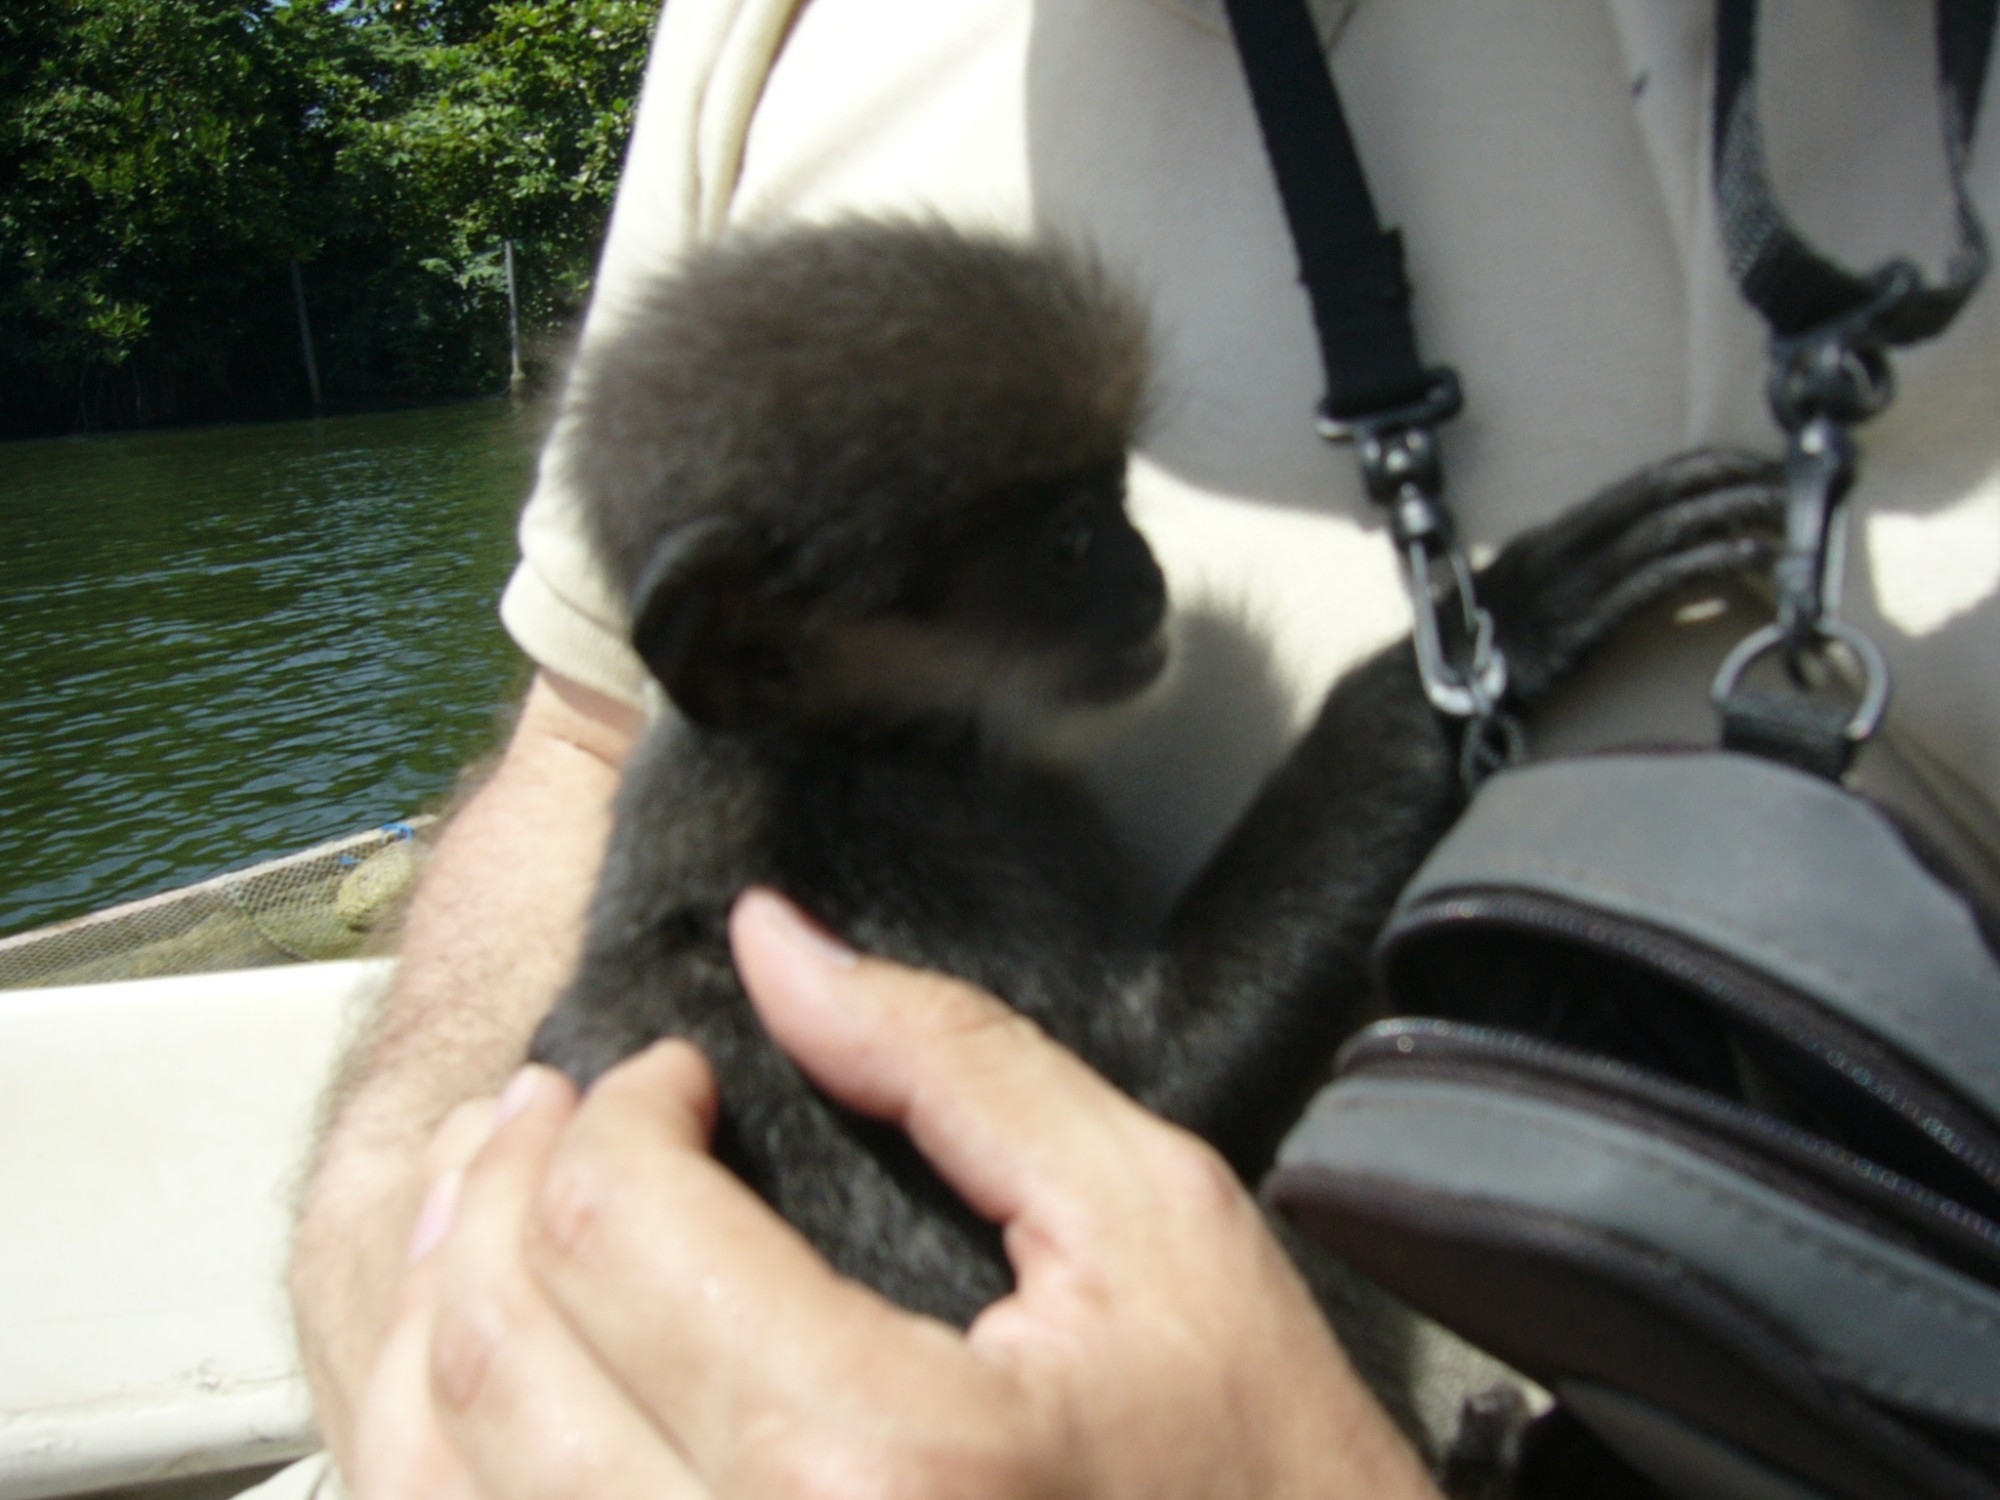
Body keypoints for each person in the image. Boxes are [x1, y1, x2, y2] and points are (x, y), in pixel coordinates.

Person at [284, 1, 2000, 1494]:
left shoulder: (840, 701)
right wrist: (407, 1271)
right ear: (749, 642)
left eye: (1121, 497)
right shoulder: (814, 851)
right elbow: (1152, 1086)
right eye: (1056, 551)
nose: (1143, 577)